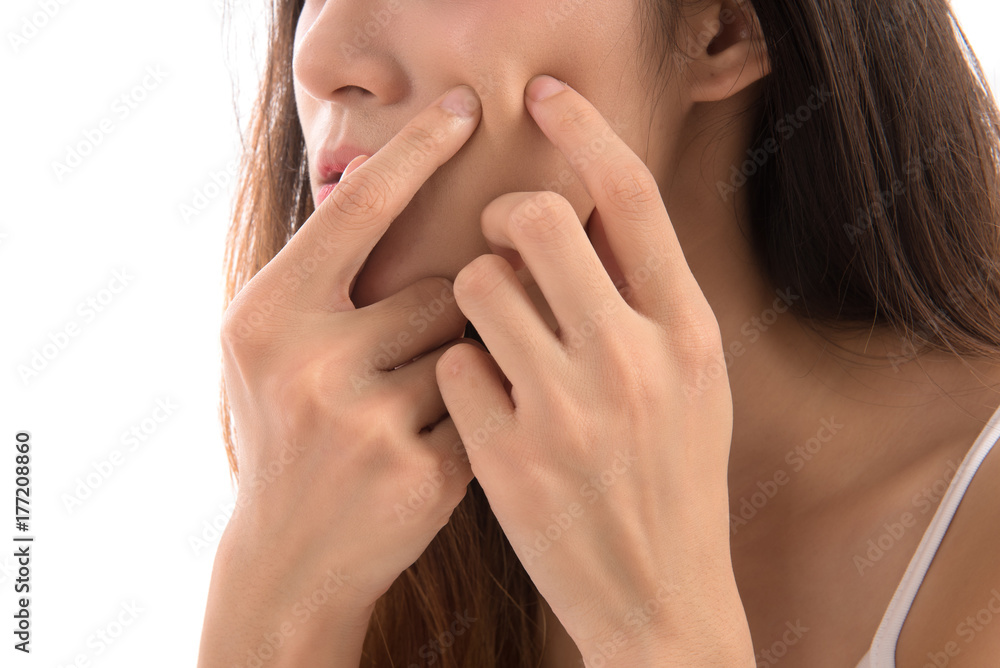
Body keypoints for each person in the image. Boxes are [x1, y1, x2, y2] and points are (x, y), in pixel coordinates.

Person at [198, 0, 1000, 666]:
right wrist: (274, 602)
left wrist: (656, 629)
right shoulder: (361, 505)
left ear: (723, 27)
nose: (320, 55)